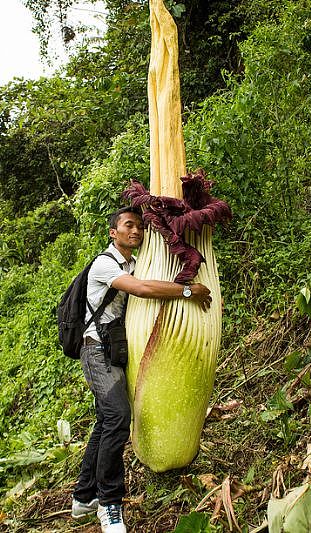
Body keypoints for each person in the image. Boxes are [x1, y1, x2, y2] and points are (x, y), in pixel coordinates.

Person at [71, 206, 212, 532]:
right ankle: (109, 505)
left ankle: (82, 497)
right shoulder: (105, 265)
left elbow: (150, 285)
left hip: (118, 351)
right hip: (96, 352)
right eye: (128, 225)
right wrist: (189, 291)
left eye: (140, 226)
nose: (136, 231)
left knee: (106, 420)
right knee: (119, 417)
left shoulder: (136, 263)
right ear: (113, 232)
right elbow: (143, 290)